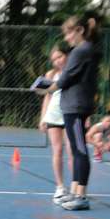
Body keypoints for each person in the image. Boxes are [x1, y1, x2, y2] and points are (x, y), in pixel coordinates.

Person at [45, 13, 100, 211]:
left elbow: (65, 79)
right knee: (77, 150)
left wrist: (49, 87)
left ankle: (81, 196)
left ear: (80, 31)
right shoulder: (87, 50)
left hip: (75, 106)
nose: (67, 38)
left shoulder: (81, 51)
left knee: (79, 150)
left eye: (69, 33)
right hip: (74, 105)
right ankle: (76, 191)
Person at [38, 44, 73, 202]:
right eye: (54, 59)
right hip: (53, 116)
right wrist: (43, 118)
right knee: (57, 151)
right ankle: (60, 187)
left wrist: (87, 117)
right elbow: (47, 97)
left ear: (66, 55)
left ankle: (75, 187)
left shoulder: (74, 71)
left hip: (70, 115)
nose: (57, 61)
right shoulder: (51, 74)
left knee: (72, 152)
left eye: (60, 56)